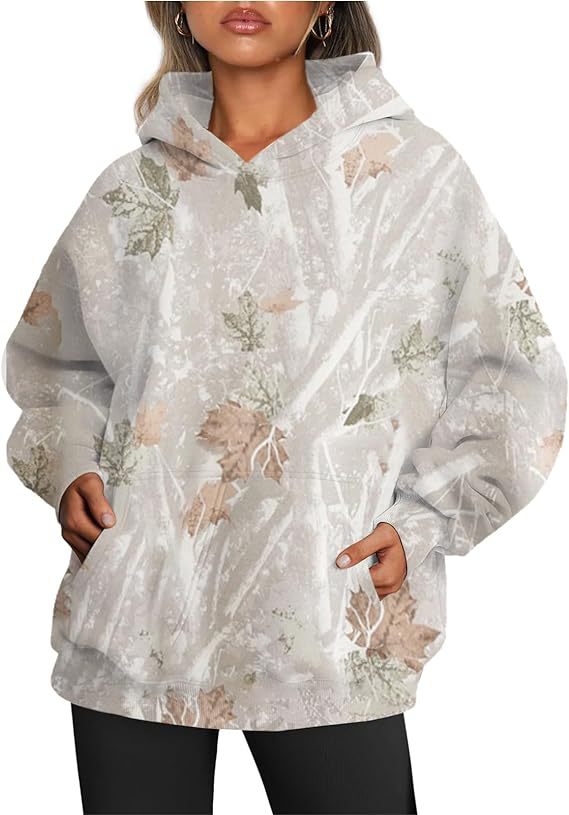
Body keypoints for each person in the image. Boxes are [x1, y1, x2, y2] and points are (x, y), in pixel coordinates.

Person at [2, 2, 566, 813]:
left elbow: (512, 373)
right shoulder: (131, 193)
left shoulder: (413, 176)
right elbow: (59, 364)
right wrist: (70, 467)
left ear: (324, 5)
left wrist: (423, 520)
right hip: (138, 615)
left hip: (327, 611)